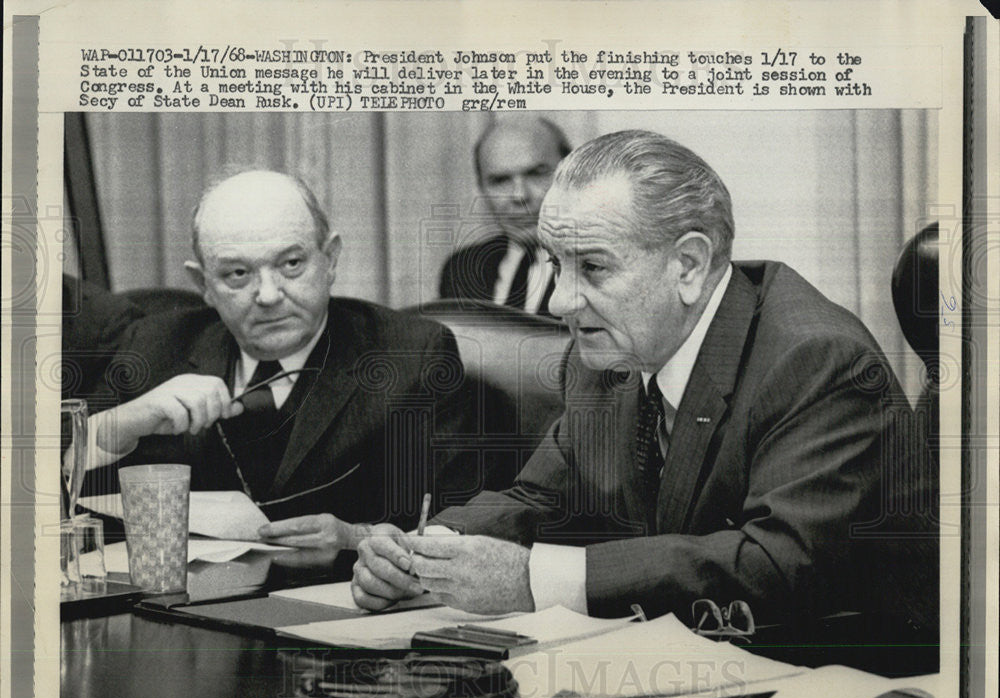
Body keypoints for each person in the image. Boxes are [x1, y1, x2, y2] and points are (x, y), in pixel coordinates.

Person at [353, 130, 933, 630]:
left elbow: (778, 564)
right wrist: (428, 553)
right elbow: (538, 497)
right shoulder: (605, 353)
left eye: (594, 267)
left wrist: (538, 579)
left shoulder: (817, 360)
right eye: (556, 264)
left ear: (688, 265)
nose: (560, 301)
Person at [85, 170, 478, 549]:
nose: (269, 295)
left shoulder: (411, 356)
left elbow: (457, 524)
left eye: (291, 264)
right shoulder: (155, 346)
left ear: (331, 259)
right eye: (238, 273)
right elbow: (52, 497)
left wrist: (356, 538)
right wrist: (117, 427)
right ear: (203, 285)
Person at [438, 117, 571, 315]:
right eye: (500, 181)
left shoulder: (598, 265)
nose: (519, 196)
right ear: (481, 187)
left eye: (536, 174)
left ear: (572, 173)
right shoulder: (461, 270)